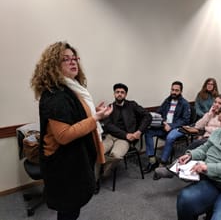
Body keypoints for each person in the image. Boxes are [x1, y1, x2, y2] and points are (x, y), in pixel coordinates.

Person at [30, 41, 112, 220]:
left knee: (71, 209)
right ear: (53, 66)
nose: (73, 62)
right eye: (65, 59)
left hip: (74, 159)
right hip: (63, 164)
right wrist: (95, 119)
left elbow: (76, 116)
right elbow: (64, 135)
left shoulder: (72, 89)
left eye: (74, 58)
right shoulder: (55, 95)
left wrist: (93, 112)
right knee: (68, 210)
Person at [153, 94, 221, 180]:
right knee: (192, 149)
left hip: (216, 141)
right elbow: (198, 125)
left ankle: (171, 170)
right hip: (206, 138)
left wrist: (206, 128)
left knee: (194, 146)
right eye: (215, 102)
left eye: (220, 103)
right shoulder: (211, 114)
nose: (216, 104)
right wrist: (209, 114)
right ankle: (174, 169)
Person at [101, 83, 152, 176]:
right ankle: (95, 178)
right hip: (111, 136)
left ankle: (103, 173)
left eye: (122, 92)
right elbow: (108, 125)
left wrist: (139, 131)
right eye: (117, 92)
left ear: (125, 94)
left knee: (115, 155)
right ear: (114, 94)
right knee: (99, 152)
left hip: (125, 139)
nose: (119, 94)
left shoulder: (132, 105)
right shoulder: (110, 107)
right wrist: (125, 134)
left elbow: (148, 116)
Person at [143, 81, 191, 173]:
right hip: (164, 126)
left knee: (170, 137)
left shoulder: (185, 104)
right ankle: (152, 161)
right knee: (148, 132)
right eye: (172, 90)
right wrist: (161, 121)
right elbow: (159, 112)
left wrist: (171, 126)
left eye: (176, 90)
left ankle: (163, 162)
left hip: (178, 128)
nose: (174, 92)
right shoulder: (167, 100)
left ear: (181, 91)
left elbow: (185, 120)